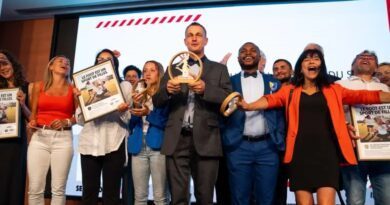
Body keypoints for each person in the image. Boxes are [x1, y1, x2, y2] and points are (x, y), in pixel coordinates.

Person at [238, 49, 390, 205]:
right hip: (299, 154)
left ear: (321, 65)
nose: (311, 62)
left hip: (327, 154)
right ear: (300, 67)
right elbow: (270, 100)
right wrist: (249, 106)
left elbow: (365, 96)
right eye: (307, 59)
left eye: (316, 59)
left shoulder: (334, 90)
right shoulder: (289, 91)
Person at [152, 22, 232, 204]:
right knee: (178, 198)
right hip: (176, 138)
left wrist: (206, 89)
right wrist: (167, 91)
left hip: (207, 139)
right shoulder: (173, 68)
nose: (194, 38)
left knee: (205, 197)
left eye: (198, 34)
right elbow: (157, 101)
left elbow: (229, 99)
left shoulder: (219, 69)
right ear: (185, 40)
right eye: (190, 35)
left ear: (206, 40)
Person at [221, 42, 285, 205]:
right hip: (238, 146)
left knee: (267, 198)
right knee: (239, 197)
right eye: (243, 51)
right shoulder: (228, 81)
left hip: (268, 147)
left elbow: (282, 113)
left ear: (260, 56)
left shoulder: (274, 82)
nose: (248, 53)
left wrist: (280, 137)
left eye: (252, 50)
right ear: (238, 58)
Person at [76, 49, 132, 205]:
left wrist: (121, 111)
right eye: (100, 59)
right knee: (88, 193)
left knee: (112, 194)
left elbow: (128, 118)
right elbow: (80, 120)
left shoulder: (124, 85)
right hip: (89, 143)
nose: (103, 61)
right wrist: (81, 101)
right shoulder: (85, 86)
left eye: (108, 59)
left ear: (114, 64)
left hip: (114, 143)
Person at [337, 50, 390, 205]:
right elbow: (332, 113)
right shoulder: (340, 85)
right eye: (362, 57)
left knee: (386, 198)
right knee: (355, 200)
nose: (366, 59)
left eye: (371, 58)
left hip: (383, 151)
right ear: (352, 65)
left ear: (375, 67)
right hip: (352, 148)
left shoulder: (385, 88)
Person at [27, 55, 77, 205]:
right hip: (40, 137)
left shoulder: (74, 89)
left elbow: (79, 116)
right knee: (35, 188)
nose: (65, 63)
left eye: (67, 63)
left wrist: (66, 121)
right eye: (60, 61)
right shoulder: (37, 86)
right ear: (50, 66)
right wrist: (32, 122)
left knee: (58, 189)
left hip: (63, 138)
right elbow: (33, 115)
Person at [128, 60, 169, 205]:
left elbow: (166, 122)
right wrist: (135, 105)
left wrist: (148, 113)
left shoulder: (165, 95)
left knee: (160, 196)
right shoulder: (138, 94)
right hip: (138, 146)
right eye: (145, 70)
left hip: (158, 146)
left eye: (152, 70)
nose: (147, 73)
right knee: (139, 197)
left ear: (160, 74)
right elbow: (131, 123)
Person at [0, 49, 31, 205]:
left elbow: (32, 118)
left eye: (4, 63)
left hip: (16, 143)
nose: (2, 68)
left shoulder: (26, 87)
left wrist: (23, 104)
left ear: (12, 63)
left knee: (14, 181)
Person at [271, 58, 293, 205]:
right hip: (275, 145)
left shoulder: (300, 89)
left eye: (283, 67)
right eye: (276, 69)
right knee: (277, 186)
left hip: (296, 144)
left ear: (291, 71)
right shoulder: (270, 92)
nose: (279, 71)